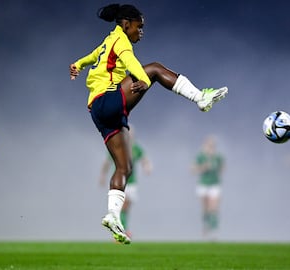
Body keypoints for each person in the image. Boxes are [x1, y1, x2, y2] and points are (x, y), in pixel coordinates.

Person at [69, 3, 228, 244]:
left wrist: (78, 64)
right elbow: (130, 61)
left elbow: (93, 56)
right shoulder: (121, 40)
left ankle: (113, 215)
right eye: (139, 27)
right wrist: (143, 79)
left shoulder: (108, 40)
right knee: (153, 69)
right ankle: (200, 97)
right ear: (126, 24)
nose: (141, 32)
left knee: (124, 168)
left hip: (98, 112)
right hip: (107, 99)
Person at [99, 124, 152, 237]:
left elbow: (144, 159)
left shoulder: (136, 148)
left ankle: (121, 229)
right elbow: (107, 163)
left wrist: (147, 167)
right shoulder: (117, 145)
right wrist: (103, 176)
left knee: (126, 208)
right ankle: (122, 230)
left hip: (132, 183)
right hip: (120, 182)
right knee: (123, 205)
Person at [191, 136, 224, 240]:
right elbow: (193, 169)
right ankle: (205, 227)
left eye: (212, 146)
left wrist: (218, 170)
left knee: (213, 208)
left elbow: (222, 169)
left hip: (214, 184)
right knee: (205, 209)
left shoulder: (218, 157)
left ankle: (214, 231)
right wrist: (204, 167)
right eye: (209, 146)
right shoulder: (201, 157)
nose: (210, 148)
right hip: (203, 184)